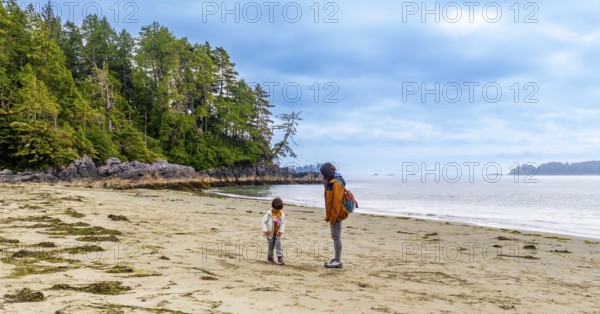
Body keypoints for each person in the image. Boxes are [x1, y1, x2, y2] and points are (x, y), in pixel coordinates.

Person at [320, 162, 349, 269]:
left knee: (336, 236)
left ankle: (337, 260)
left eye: (323, 173)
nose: (322, 176)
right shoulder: (332, 182)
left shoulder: (336, 183)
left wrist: (333, 217)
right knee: (335, 236)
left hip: (337, 214)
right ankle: (336, 258)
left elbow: (337, 202)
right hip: (334, 214)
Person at [261, 197, 287, 265]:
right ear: (272, 207)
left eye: (279, 209)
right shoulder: (268, 214)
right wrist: (265, 230)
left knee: (278, 244)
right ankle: (270, 258)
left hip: (278, 233)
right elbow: (263, 222)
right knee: (271, 245)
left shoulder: (282, 214)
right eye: (276, 209)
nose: (278, 211)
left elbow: (283, 223)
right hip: (270, 233)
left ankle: (280, 258)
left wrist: (281, 231)